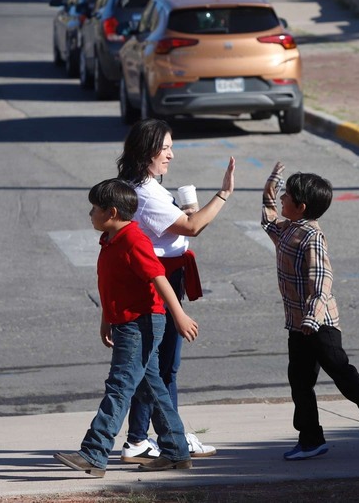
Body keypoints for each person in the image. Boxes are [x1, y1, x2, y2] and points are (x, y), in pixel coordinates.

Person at [54, 179, 198, 477]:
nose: (91, 213)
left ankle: (94, 453)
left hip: (141, 323)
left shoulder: (134, 240)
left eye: (95, 208)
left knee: (120, 386)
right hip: (126, 322)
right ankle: (176, 451)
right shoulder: (111, 238)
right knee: (152, 386)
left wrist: (179, 316)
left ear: (113, 212)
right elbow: (112, 286)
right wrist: (106, 318)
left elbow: (159, 278)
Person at [262, 161, 359, 461]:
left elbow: (322, 281)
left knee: (341, 373)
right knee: (299, 382)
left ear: (300, 206)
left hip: (319, 323)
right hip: (298, 324)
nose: (281, 199)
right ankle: (311, 438)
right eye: (282, 195)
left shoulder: (312, 237)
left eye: (286, 197)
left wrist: (312, 317)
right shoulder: (287, 229)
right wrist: (272, 183)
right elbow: (267, 214)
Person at [116, 119, 235, 462]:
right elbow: (192, 227)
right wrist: (224, 193)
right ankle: (171, 437)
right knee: (163, 367)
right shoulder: (145, 192)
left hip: (166, 276)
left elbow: (179, 225)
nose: (171, 154)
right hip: (159, 282)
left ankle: (140, 439)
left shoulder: (145, 185)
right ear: (147, 151)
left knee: (152, 366)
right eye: (165, 148)